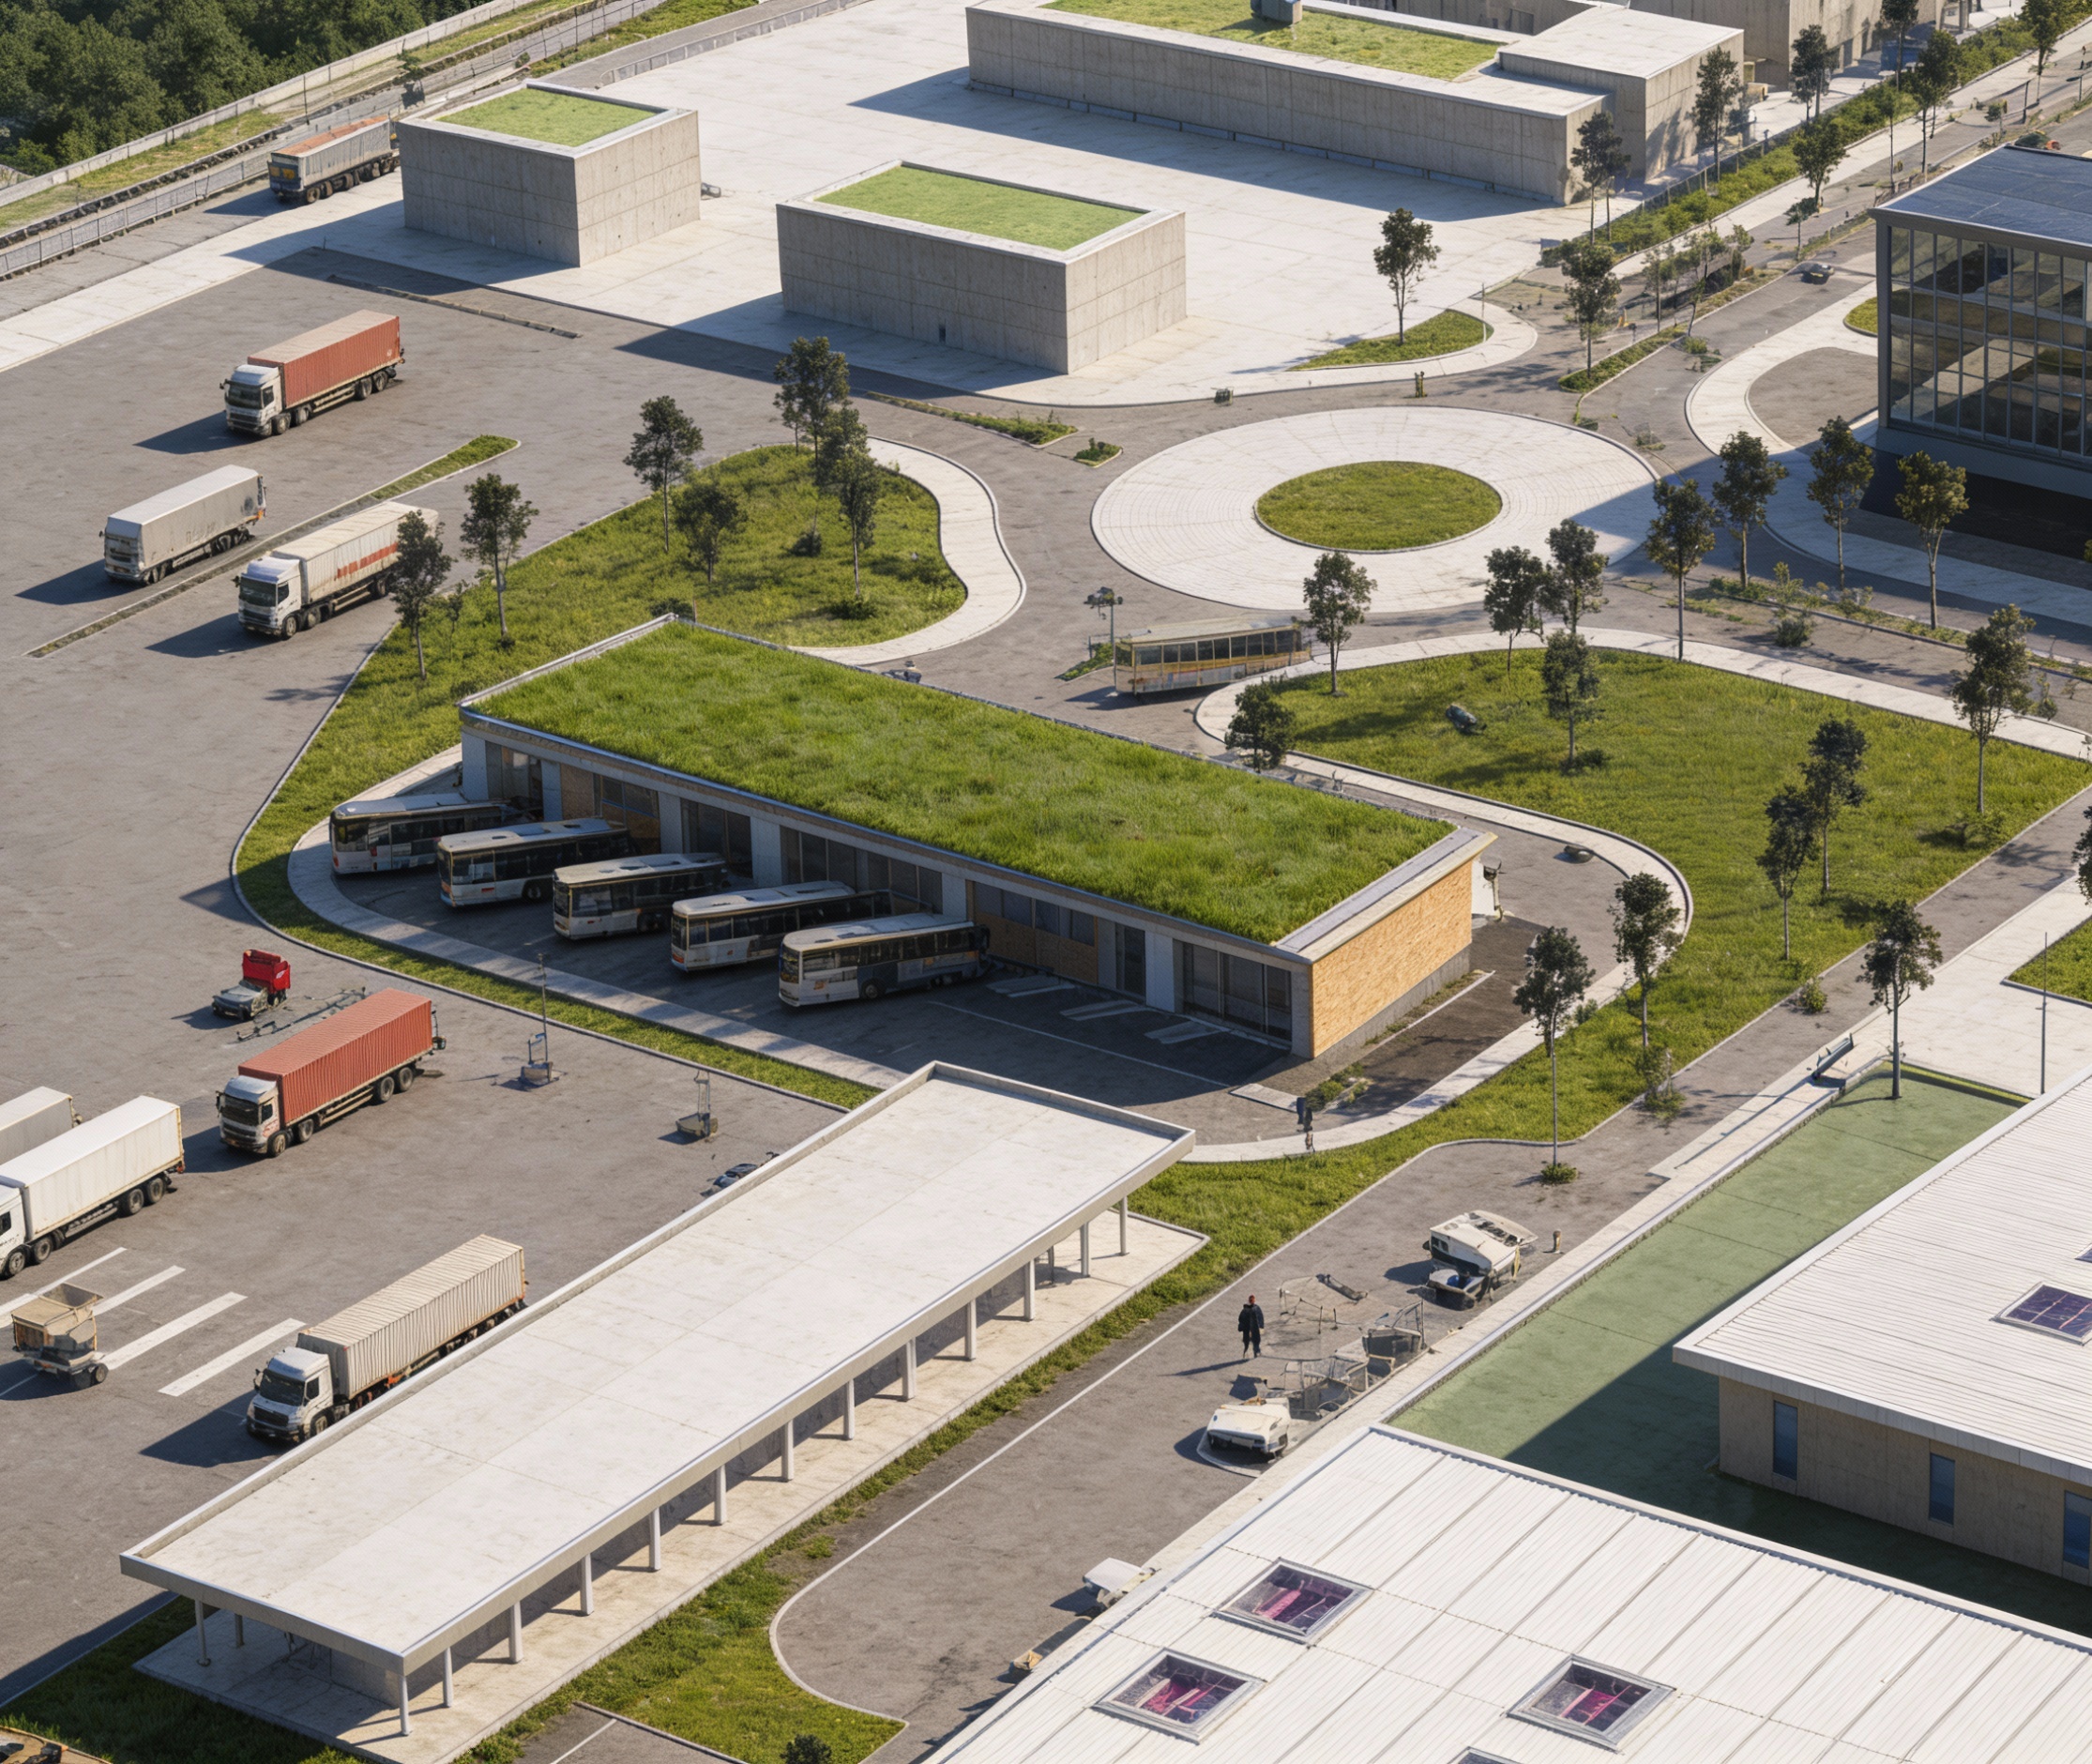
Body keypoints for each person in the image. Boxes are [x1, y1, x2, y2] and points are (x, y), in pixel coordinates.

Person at [1237, 1294, 1266, 1359]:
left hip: (1252, 1329)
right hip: (1251, 1329)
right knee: (1251, 1341)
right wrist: (1261, 1326)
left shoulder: (1247, 1310)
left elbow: (1241, 1319)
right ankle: (1251, 1352)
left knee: (1253, 1341)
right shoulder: (1254, 1308)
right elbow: (1260, 1317)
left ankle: (1254, 1352)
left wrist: (1261, 1326)